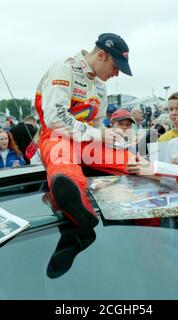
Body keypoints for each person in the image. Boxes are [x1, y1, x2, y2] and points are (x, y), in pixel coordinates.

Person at [34, 32, 133, 231]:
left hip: (87, 142)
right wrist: (99, 134)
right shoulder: (63, 69)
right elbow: (55, 117)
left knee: (133, 162)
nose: (116, 74)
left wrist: (111, 136)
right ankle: (80, 210)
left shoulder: (101, 87)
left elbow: (97, 125)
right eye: (116, 67)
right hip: (56, 136)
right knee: (63, 165)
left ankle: (170, 180)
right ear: (101, 55)